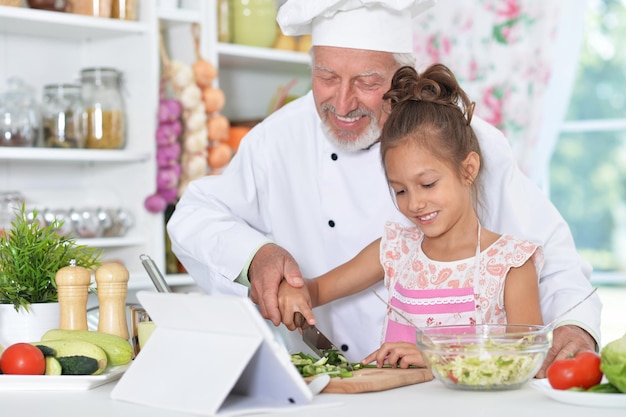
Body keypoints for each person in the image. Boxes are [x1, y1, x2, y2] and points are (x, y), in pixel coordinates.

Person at [166, 0, 601, 377]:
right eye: (326, 77)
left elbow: (548, 252)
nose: (341, 103)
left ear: (402, 76)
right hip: (326, 385)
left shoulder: (466, 140)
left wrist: (574, 326)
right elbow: (195, 214)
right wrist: (256, 256)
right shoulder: (276, 138)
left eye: (368, 83)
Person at [276, 63, 545, 368]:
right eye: (400, 190)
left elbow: (527, 361)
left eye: (428, 184)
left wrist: (437, 358)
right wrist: (295, 292)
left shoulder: (509, 264)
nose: (414, 203)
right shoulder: (394, 250)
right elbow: (317, 289)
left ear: (468, 169)